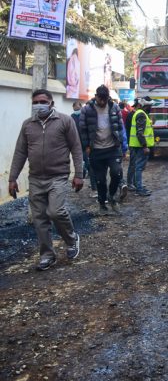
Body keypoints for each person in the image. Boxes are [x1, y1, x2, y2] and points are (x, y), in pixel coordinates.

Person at [8, 89, 83, 270]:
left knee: (55, 211)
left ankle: (72, 239)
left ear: (51, 103)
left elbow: (76, 148)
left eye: (42, 101)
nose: (38, 105)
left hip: (58, 176)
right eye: (35, 102)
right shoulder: (28, 125)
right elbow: (20, 152)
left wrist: (79, 174)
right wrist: (12, 178)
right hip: (35, 178)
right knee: (39, 218)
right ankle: (47, 255)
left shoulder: (65, 121)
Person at [79, 85, 128, 214]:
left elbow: (120, 127)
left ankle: (112, 196)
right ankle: (102, 203)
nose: (102, 102)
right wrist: (86, 147)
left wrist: (123, 146)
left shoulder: (114, 107)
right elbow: (82, 130)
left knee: (117, 173)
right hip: (96, 150)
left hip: (113, 148)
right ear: (96, 97)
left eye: (104, 100)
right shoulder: (87, 110)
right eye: (100, 99)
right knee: (100, 180)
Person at [128, 97, 155, 197]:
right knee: (139, 167)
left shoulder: (139, 113)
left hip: (137, 145)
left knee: (137, 167)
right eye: (149, 106)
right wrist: (144, 146)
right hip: (140, 146)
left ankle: (138, 186)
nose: (150, 108)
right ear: (144, 105)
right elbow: (140, 132)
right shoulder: (141, 115)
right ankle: (139, 189)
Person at [71, 101, 97, 195]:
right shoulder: (72, 117)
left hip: (86, 146)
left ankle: (94, 188)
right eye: (75, 110)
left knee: (90, 165)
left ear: (81, 107)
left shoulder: (86, 116)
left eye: (77, 109)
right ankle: (78, 183)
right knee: (80, 165)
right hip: (76, 146)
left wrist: (89, 145)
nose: (76, 111)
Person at [124, 99, 140, 190]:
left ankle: (135, 183)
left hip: (136, 143)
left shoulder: (135, 114)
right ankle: (130, 183)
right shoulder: (132, 115)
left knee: (136, 164)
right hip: (133, 143)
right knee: (133, 164)